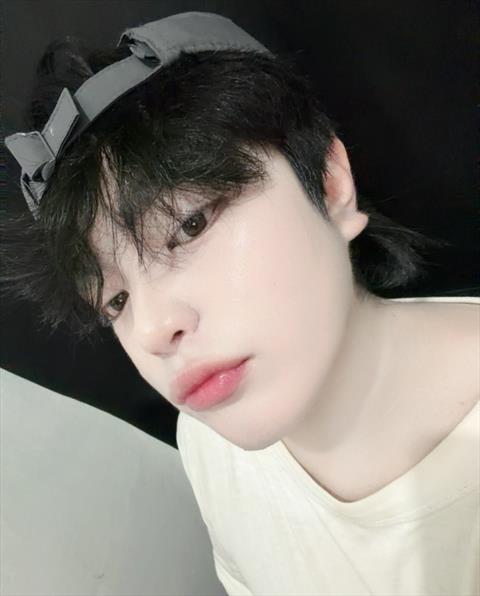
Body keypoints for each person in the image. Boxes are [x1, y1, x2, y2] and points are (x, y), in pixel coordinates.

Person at [2, 11, 479, 596]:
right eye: (115, 300)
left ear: (329, 184)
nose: (152, 329)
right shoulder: (208, 446)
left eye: (190, 225)